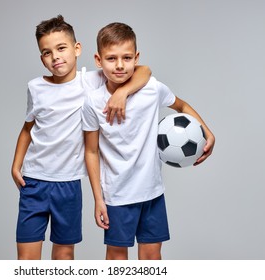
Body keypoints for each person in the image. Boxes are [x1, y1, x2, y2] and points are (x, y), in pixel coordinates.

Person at [11, 15, 151, 260]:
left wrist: (124, 92)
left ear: (77, 49)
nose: (55, 57)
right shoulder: (35, 87)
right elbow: (27, 128)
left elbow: (144, 70)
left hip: (69, 184)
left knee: (64, 257)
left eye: (61, 48)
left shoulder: (91, 81)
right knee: (26, 260)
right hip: (34, 181)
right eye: (47, 52)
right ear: (42, 58)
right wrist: (15, 165)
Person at [82, 22, 215, 260]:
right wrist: (98, 199)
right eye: (111, 58)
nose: (120, 65)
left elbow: (181, 106)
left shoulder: (152, 89)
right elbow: (91, 151)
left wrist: (207, 131)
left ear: (137, 58)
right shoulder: (93, 101)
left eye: (127, 57)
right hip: (117, 195)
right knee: (116, 258)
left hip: (152, 192)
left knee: (152, 258)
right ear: (98, 60)